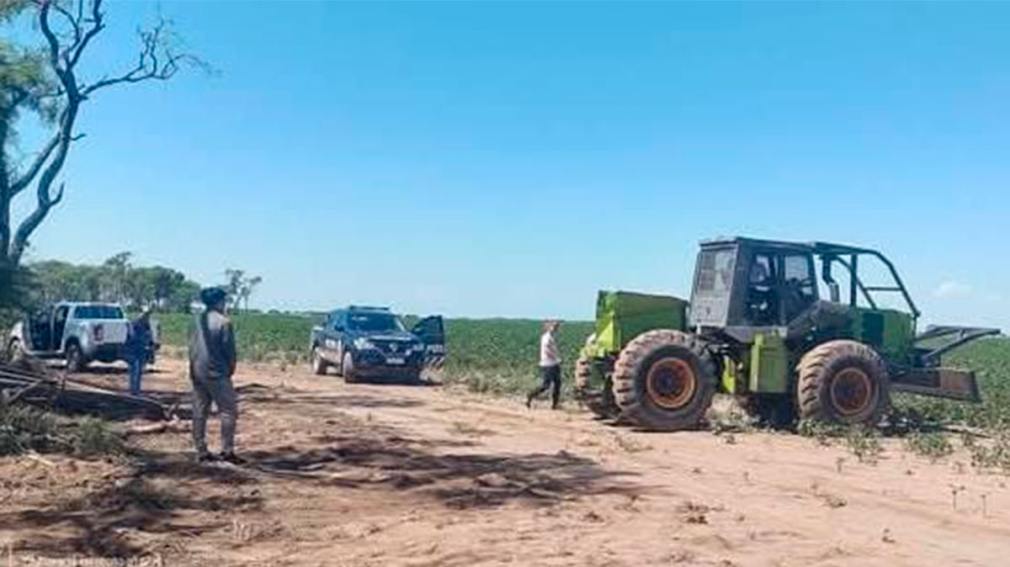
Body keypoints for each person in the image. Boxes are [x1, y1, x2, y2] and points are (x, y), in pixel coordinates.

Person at [189, 287, 242, 464]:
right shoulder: (224, 322)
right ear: (219, 302)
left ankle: (200, 450)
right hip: (217, 373)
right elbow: (230, 351)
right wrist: (230, 369)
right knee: (228, 411)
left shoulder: (196, 321)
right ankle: (227, 450)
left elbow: (192, 347)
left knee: (199, 412)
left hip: (197, 371)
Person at [527, 320, 562, 410]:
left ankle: (555, 405)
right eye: (554, 326)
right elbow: (547, 349)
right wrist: (556, 357)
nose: (556, 328)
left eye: (557, 326)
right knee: (546, 385)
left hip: (553, 363)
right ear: (548, 327)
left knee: (557, 383)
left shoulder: (550, 337)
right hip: (548, 364)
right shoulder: (546, 338)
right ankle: (530, 395)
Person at [124, 307, 154, 396]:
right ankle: (133, 391)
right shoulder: (135, 324)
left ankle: (136, 390)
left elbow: (149, 338)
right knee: (135, 370)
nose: (147, 317)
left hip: (141, 351)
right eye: (146, 314)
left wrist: (149, 346)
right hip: (133, 351)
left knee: (139, 371)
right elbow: (132, 337)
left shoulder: (146, 325)